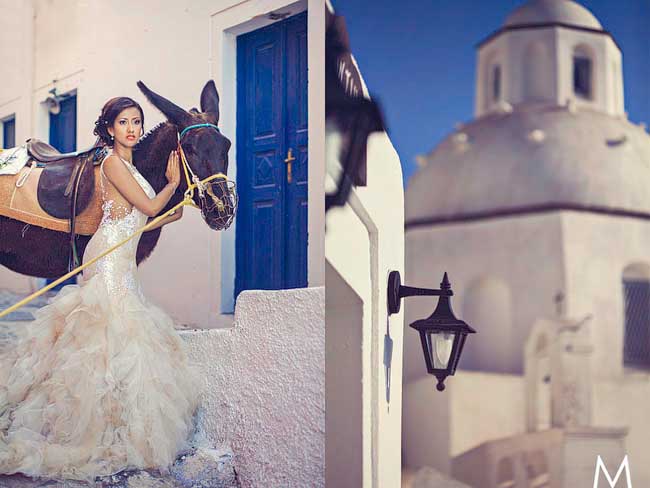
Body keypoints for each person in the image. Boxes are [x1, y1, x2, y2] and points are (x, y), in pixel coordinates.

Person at [0, 97, 201, 483]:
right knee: (105, 339)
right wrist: (174, 184)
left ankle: (115, 418)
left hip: (121, 261)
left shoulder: (129, 165)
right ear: (110, 129)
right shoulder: (110, 161)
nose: (131, 129)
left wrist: (176, 205)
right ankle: (86, 426)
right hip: (107, 261)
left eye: (137, 122)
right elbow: (147, 202)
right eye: (123, 122)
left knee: (117, 343)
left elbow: (146, 214)